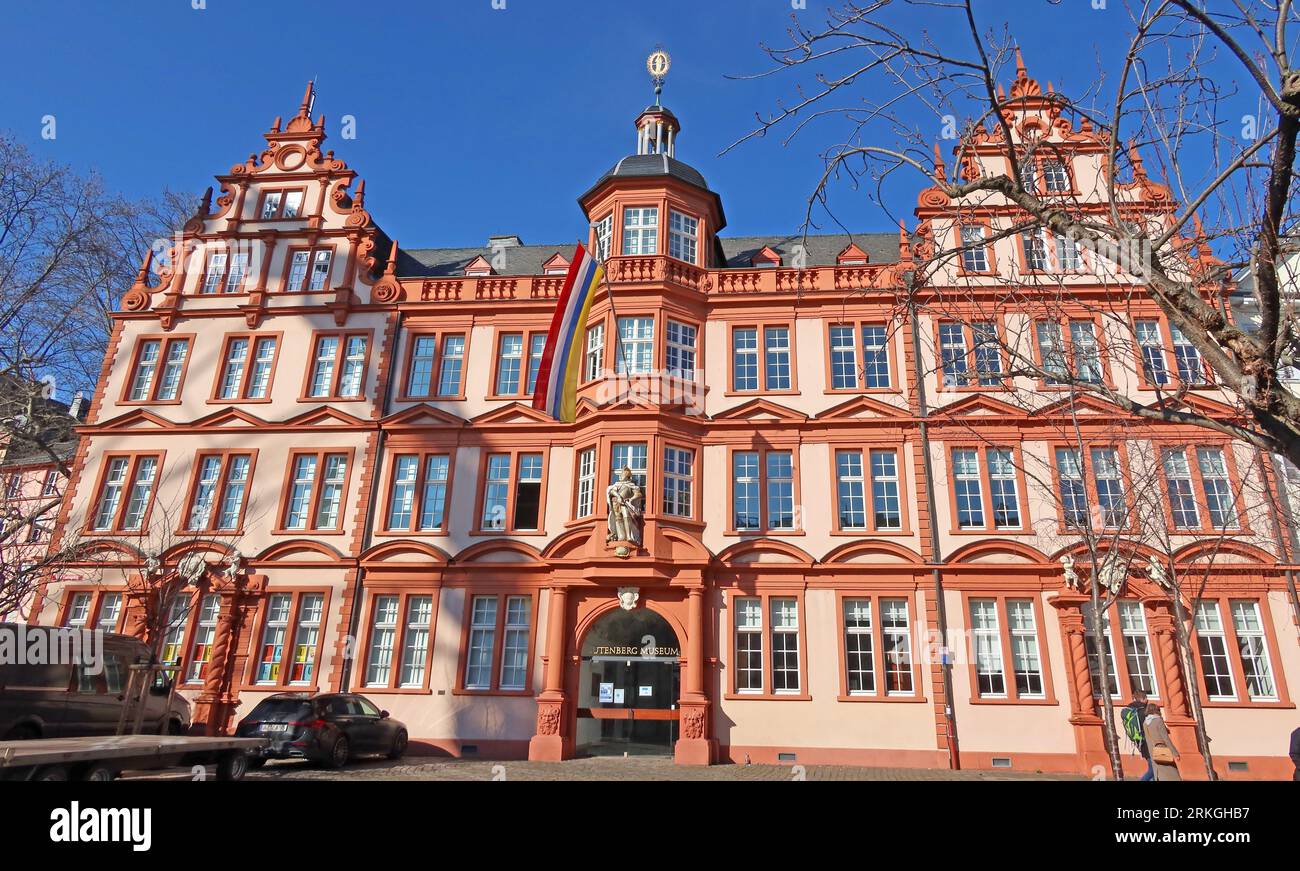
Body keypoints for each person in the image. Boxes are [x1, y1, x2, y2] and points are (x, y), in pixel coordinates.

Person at [1121, 690, 1153, 781]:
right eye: (1146, 698)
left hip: (1139, 741)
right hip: (1148, 742)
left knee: (1153, 767)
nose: (1147, 700)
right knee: (1153, 769)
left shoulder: (1130, 710)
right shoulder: (1144, 711)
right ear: (1143, 699)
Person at [1144, 702, 1180, 782]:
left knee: (1159, 775)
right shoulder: (1158, 720)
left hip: (1153, 752)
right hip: (1163, 751)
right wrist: (1175, 753)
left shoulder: (1145, 723)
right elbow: (1166, 738)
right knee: (1173, 774)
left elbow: (1148, 739)